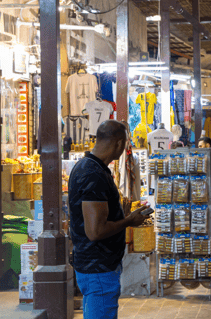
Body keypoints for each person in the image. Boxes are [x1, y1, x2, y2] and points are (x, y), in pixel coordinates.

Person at [69, 120, 150, 319]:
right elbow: (95, 231)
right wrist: (129, 221)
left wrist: (119, 212)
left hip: (96, 267)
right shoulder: (93, 173)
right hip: (98, 268)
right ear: (119, 144)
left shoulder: (90, 167)